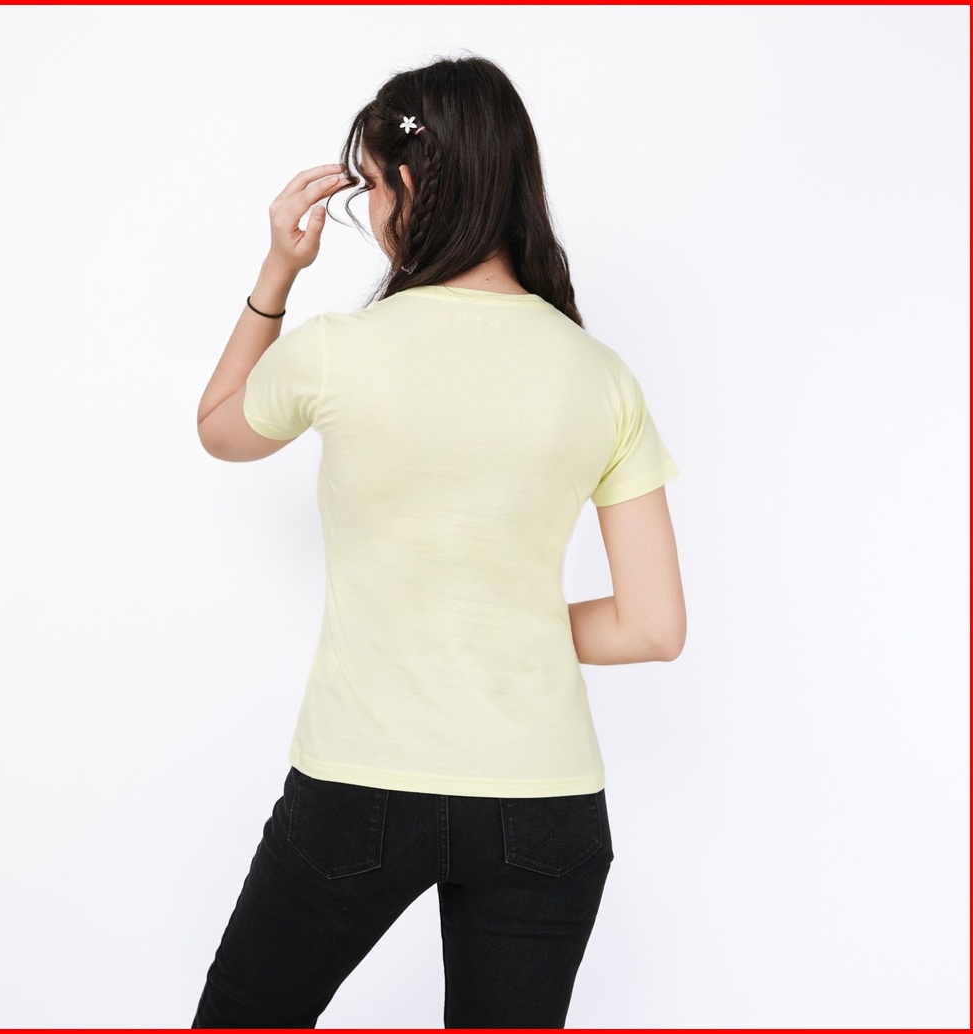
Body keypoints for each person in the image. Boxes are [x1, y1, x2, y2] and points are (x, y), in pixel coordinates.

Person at [191, 55, 686, 1030]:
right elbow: (651, 626)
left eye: (372, 188)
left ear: (410, 185)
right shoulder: (598, 375)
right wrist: (501, 620)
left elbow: (220, 430)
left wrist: (277, 272)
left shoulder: (338, 349)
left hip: (361, 782)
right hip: (545, 800)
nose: (372, 211)